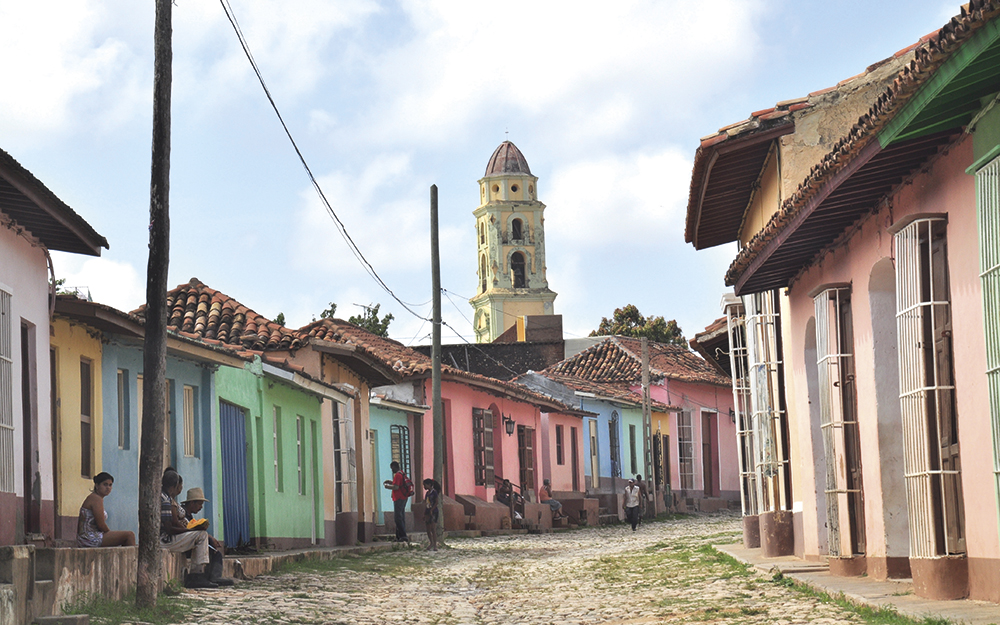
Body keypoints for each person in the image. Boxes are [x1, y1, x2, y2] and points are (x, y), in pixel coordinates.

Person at [161, 469, 216, 589]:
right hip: (164, 540)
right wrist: (190, 531)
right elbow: (169, 528)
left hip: (164, 538)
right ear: (175, 486)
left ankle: (199, 575)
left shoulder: (164, 497)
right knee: (201, 535)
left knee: (200, 535)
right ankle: (197, 575)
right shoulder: (165, 500)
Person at [182, 487, 234, 587]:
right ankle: (206, 577)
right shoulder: (183, 514)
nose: (201, 507)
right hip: (186, 543)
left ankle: (213, 577)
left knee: (216, 553)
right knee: (213, 552)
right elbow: (188, 529)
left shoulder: (189, 515)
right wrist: (209, 537)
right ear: (192, 503)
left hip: (190, 541)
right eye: (199, 504)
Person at [77, 472, 136, 547]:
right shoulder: (96, 499)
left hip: (89, 537)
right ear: (97, 486)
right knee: (129, 535)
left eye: (110, 485)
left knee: (124, 537)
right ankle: (133, 559)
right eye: (105, 484)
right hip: (89, 539)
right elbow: (101, 525)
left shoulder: (97, 498)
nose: (108, 487)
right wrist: (110, 534)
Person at [383, 461, 410, 542]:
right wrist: (391, 482)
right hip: (404, 498)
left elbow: (396, 487)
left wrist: (387, 487)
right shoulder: (402, 473)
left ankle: (403, 536)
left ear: (394, 467)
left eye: (392, 468)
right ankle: (399, 536)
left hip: (399, 498)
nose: (392, 470)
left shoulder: (398, 475)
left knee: (398, 518)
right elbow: (399, 484)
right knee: (401, 517)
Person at [422, 478, 440, 552]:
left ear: (429, 485)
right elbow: (426, 503)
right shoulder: (427, 493)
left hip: (433, 512)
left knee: (433, 529)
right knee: (428, 529)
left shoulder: (434, 492)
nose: (424, 487)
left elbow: (436, 502)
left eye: (425, 485)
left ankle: (435, 545)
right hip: (427, 511)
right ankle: (431, 542)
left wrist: (432, 510)